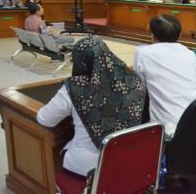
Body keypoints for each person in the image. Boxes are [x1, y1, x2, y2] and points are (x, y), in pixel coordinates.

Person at [37, 36, 146, 176]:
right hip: (128, 158)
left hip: (89, 167)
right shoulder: (134, 78)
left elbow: (45, 119)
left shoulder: (75, 86)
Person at [134, 14, 196, 135]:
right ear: (179, 35)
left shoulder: (143, 52)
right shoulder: (190, 54)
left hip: (167, 129)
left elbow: (139, 86)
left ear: (152, 36)